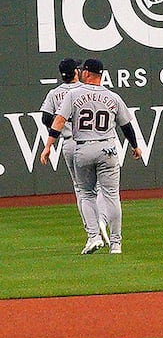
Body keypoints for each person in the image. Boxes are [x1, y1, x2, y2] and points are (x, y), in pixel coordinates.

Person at [39, 59, 142, 255]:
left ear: (86, 73)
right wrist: (135, 146)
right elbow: (126, 126)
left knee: (86, 193)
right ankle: (116, 244)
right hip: (108, 148)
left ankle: (94, 236)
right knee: (112, 195)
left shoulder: (73, 94)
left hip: (83, 148)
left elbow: (58, 120)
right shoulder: (113, 96)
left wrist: (48, 145)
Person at [39, 58, 101, 252]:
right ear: (76, 71)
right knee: (99, 187)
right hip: (92, 140)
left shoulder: (54, 93)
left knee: (81, 190)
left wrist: (62, 122)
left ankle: (92, 232)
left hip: (69, 143)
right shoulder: (86, 89)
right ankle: (102, 223)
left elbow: (46, 118)